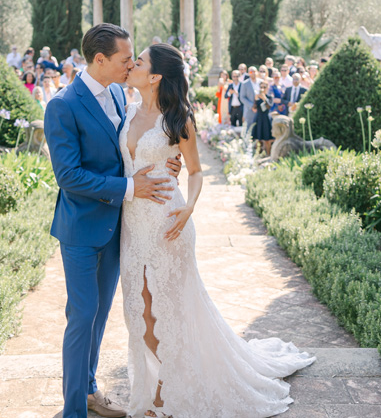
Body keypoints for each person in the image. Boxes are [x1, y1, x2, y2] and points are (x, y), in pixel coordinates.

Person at [120, 43, 313, 417]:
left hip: (168, 223)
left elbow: (194, 172)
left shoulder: (177, 120)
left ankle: (165, 390)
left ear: (156, 76)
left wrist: (189, 207)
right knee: (137, 311)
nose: (132, 65)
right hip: (132, 224)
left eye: (139, 62)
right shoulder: (125, 111)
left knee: (171, 309)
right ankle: (160, 377)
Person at [44, 24, 182, 418]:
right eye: (125, 59)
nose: (130, 65)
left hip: (119, 227)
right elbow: (68, 176)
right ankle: (74, 411)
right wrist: (128, 188)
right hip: (82, 229)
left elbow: (131, 148)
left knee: (102, 313)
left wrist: (162, 162)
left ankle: (89, 390)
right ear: (100, 60)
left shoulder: (121, 94)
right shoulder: (62, 105)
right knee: (82, 314)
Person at [252, 80, 275, 155]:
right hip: (259, 118)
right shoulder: (257, 97)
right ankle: (258, 155)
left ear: (267, 88)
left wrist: (264, 98)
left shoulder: (269, 97)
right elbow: (254, 108)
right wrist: (256, 99)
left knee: (267, 139)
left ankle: (269, 155)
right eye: (261, 87)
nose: (262, 89)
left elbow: (269, 106)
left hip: (266, 119)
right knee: (258, 139)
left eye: (264, 87)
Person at [240, 66, 259, 132]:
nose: (253, 73)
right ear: (248, 73)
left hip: (260, 110)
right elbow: (242, 97)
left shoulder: (261, 82)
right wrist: (252, 106)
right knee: (249, 129)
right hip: (249, 110)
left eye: (254, 71)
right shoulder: (245, 84)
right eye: (251, 72)